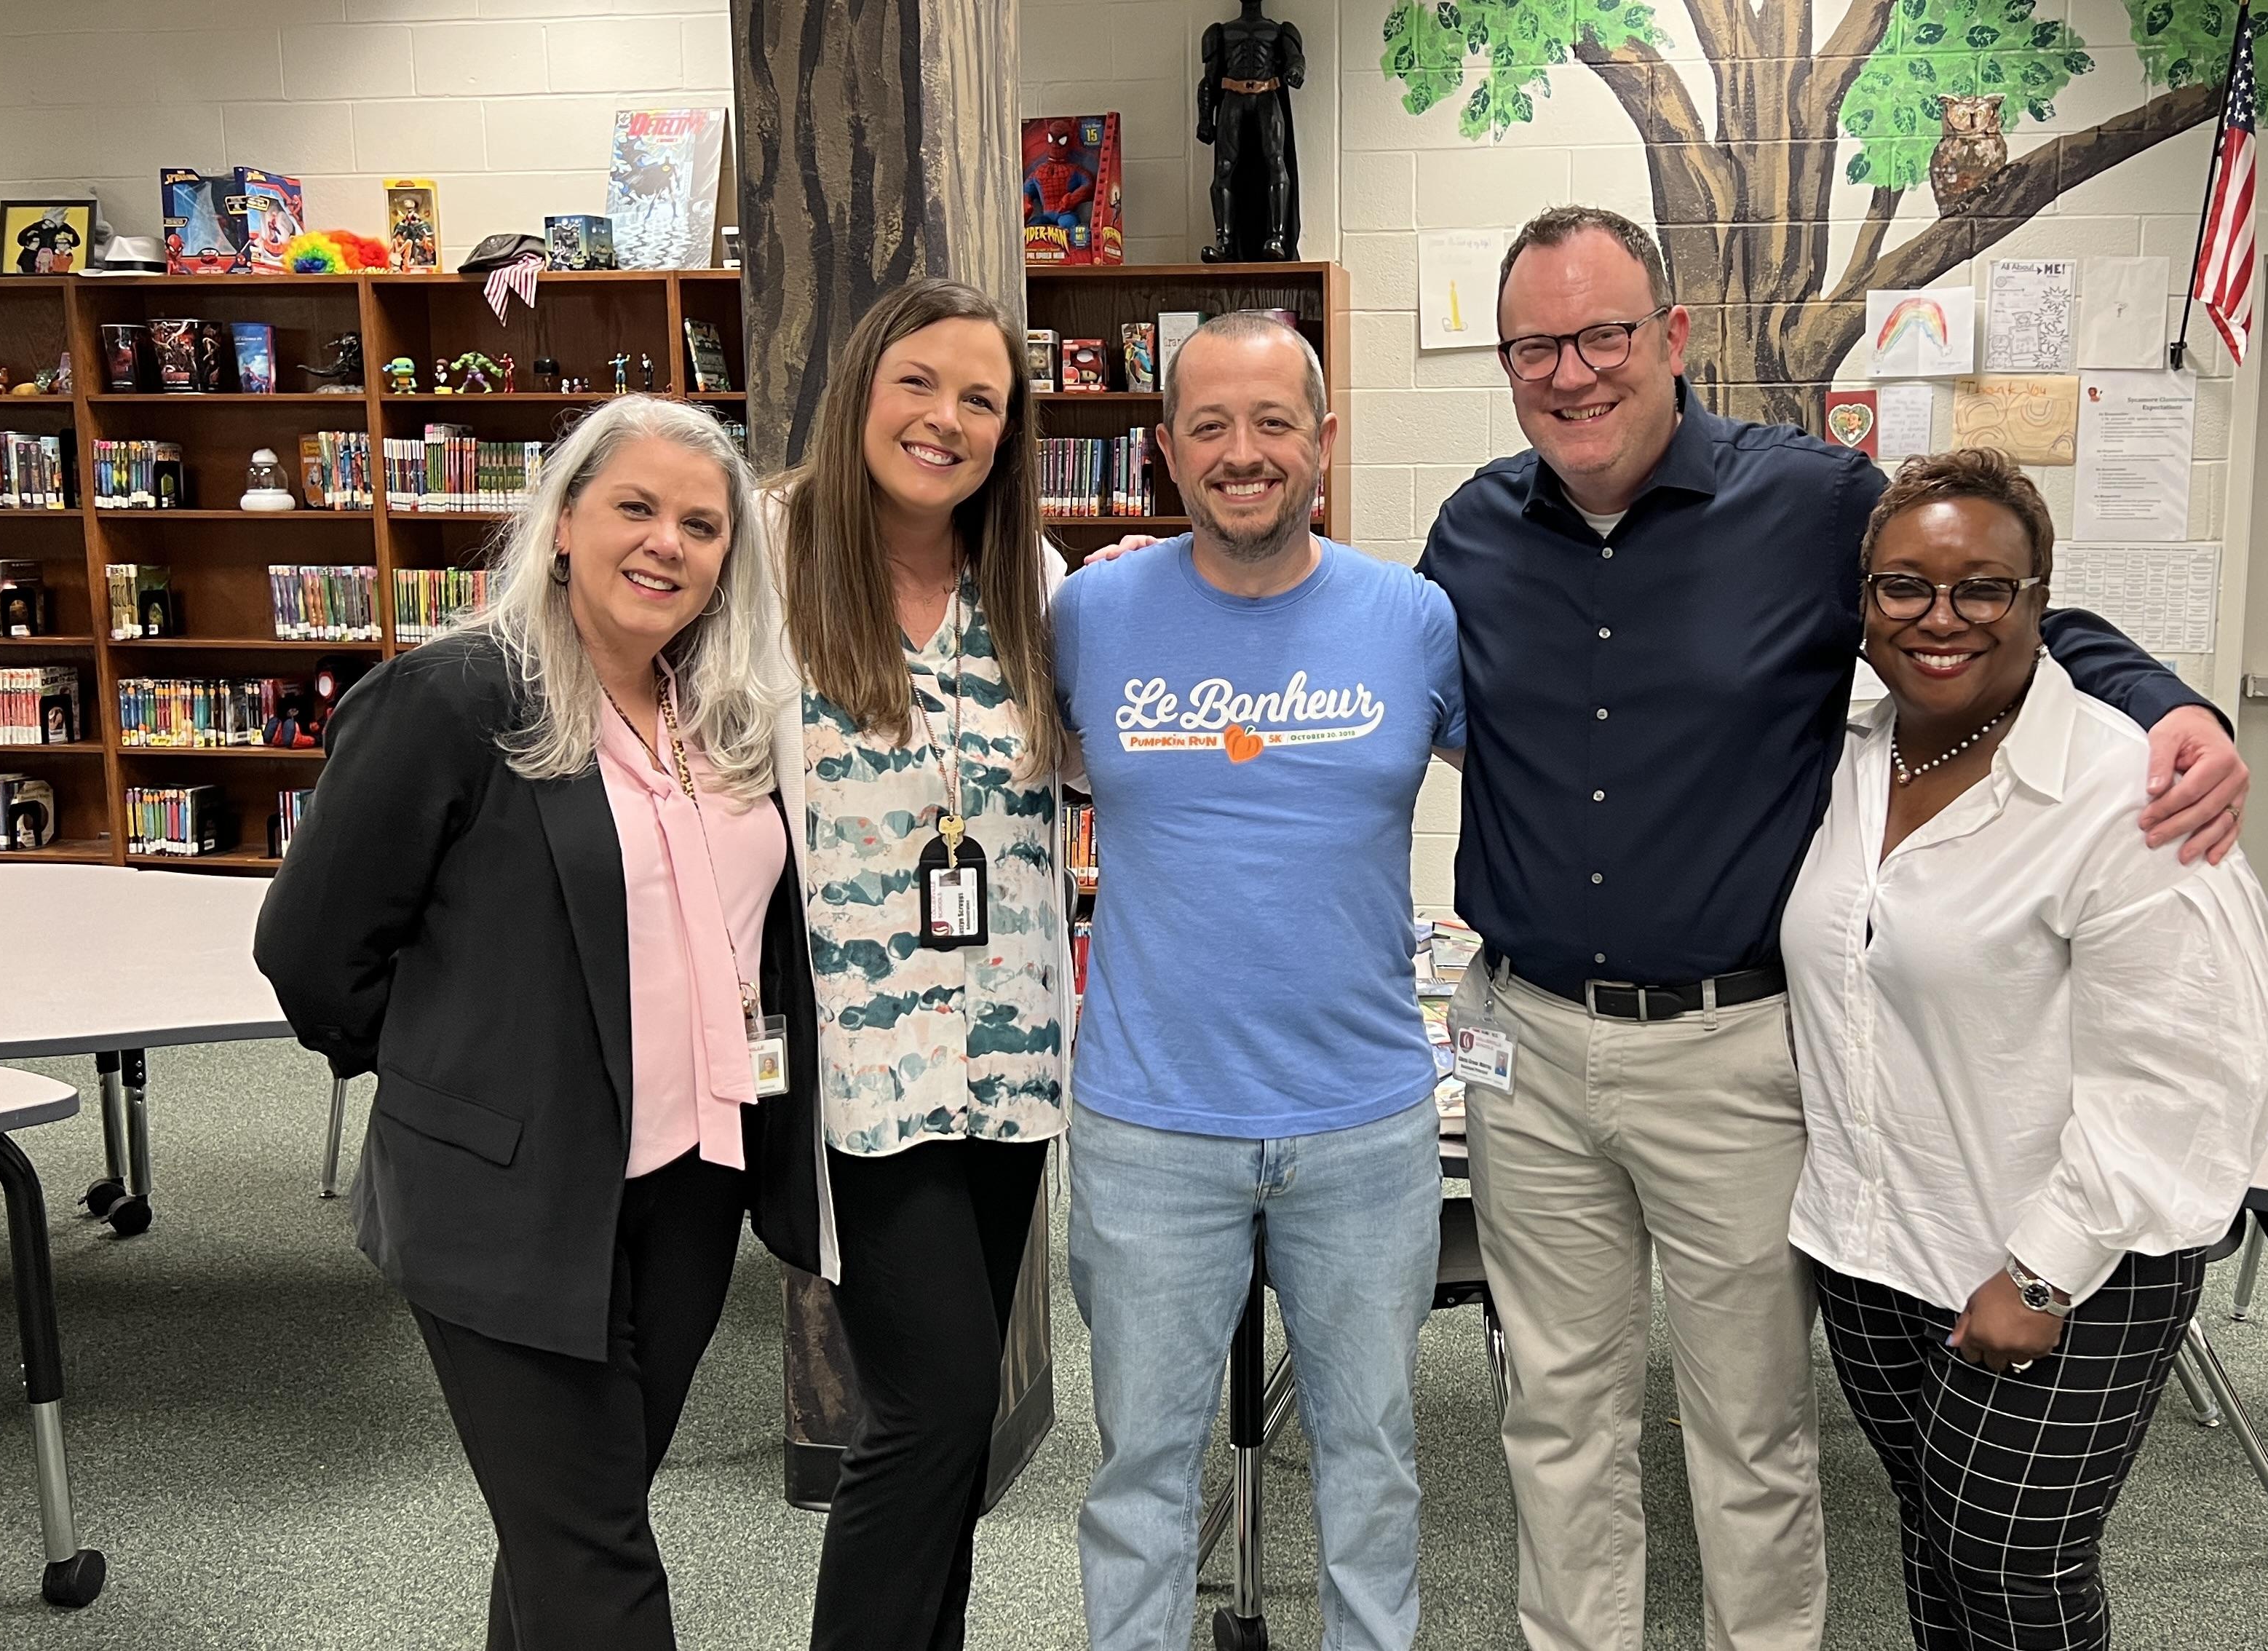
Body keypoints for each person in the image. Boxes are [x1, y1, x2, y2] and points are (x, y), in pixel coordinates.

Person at [1418, 204, 2252, 1651]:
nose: (1573, 372)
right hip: (1523, 1042)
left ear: (1673, 337)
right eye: (1536, 346)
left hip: (1732, 1049)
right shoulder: (1472, 533)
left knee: (1747, 1430)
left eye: (1605, 333)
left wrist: (2170, 701)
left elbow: (1990, 610)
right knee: (1555, 1410)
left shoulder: (1806, 505)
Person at [255, 395, 819, 1650]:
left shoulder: (717, 715)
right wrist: (461, 1069)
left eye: (702, 525)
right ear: (563, 522)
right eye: (635, 508)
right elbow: (310, 954)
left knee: (575, 1522)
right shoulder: (452, 701)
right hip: (508, 1202)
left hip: (690, 1183)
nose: (667, 543)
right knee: (601, 1567)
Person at [1785, 449, 2268, 1648]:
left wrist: (2046, 1269)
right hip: (1878, 1245)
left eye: (1983, 589)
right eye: (1904, 586)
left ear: (2038, 603)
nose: (1940, 619)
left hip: (2067, 1262)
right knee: (1933, 1541)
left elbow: (2199, 1065)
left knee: (2012, 1565)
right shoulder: (1848, 761)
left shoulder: (2128, 794)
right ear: (1864, 604)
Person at [1053, 310, 1464, 1651]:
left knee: (1370, 1463)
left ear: (1325, 443)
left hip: (1363, 1122)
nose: (1245, 454)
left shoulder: (1412, 621)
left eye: (1274, 423)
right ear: (1166, 449)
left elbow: (1559, 782)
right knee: (1142, 1478)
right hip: (1152, 1122)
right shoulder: (1089, 614)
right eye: (1212, 427)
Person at [770, 276, 1072, 1651]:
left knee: (943, 1430)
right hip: (862, 1068)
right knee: (937, 1405)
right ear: (862, 390)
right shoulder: (765, 561)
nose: (946, 420)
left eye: (982, 401)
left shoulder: (1032, 581)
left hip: (1008, 1061)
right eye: (920, 384)